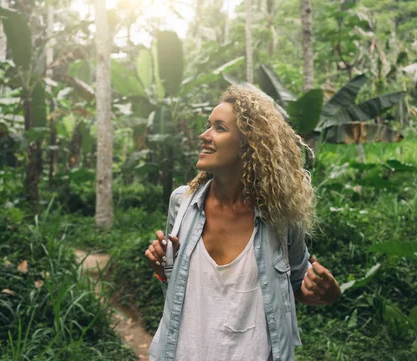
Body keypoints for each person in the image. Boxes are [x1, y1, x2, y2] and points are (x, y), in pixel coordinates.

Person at [144, 85, 341, 361]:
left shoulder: (281, 216)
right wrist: (163, 267)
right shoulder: (182, 203)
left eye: (219, 128)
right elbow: (179, 288)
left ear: (248, 145)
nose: (204, 135)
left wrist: (325, 293)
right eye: (208, 126)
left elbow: (299, 284)